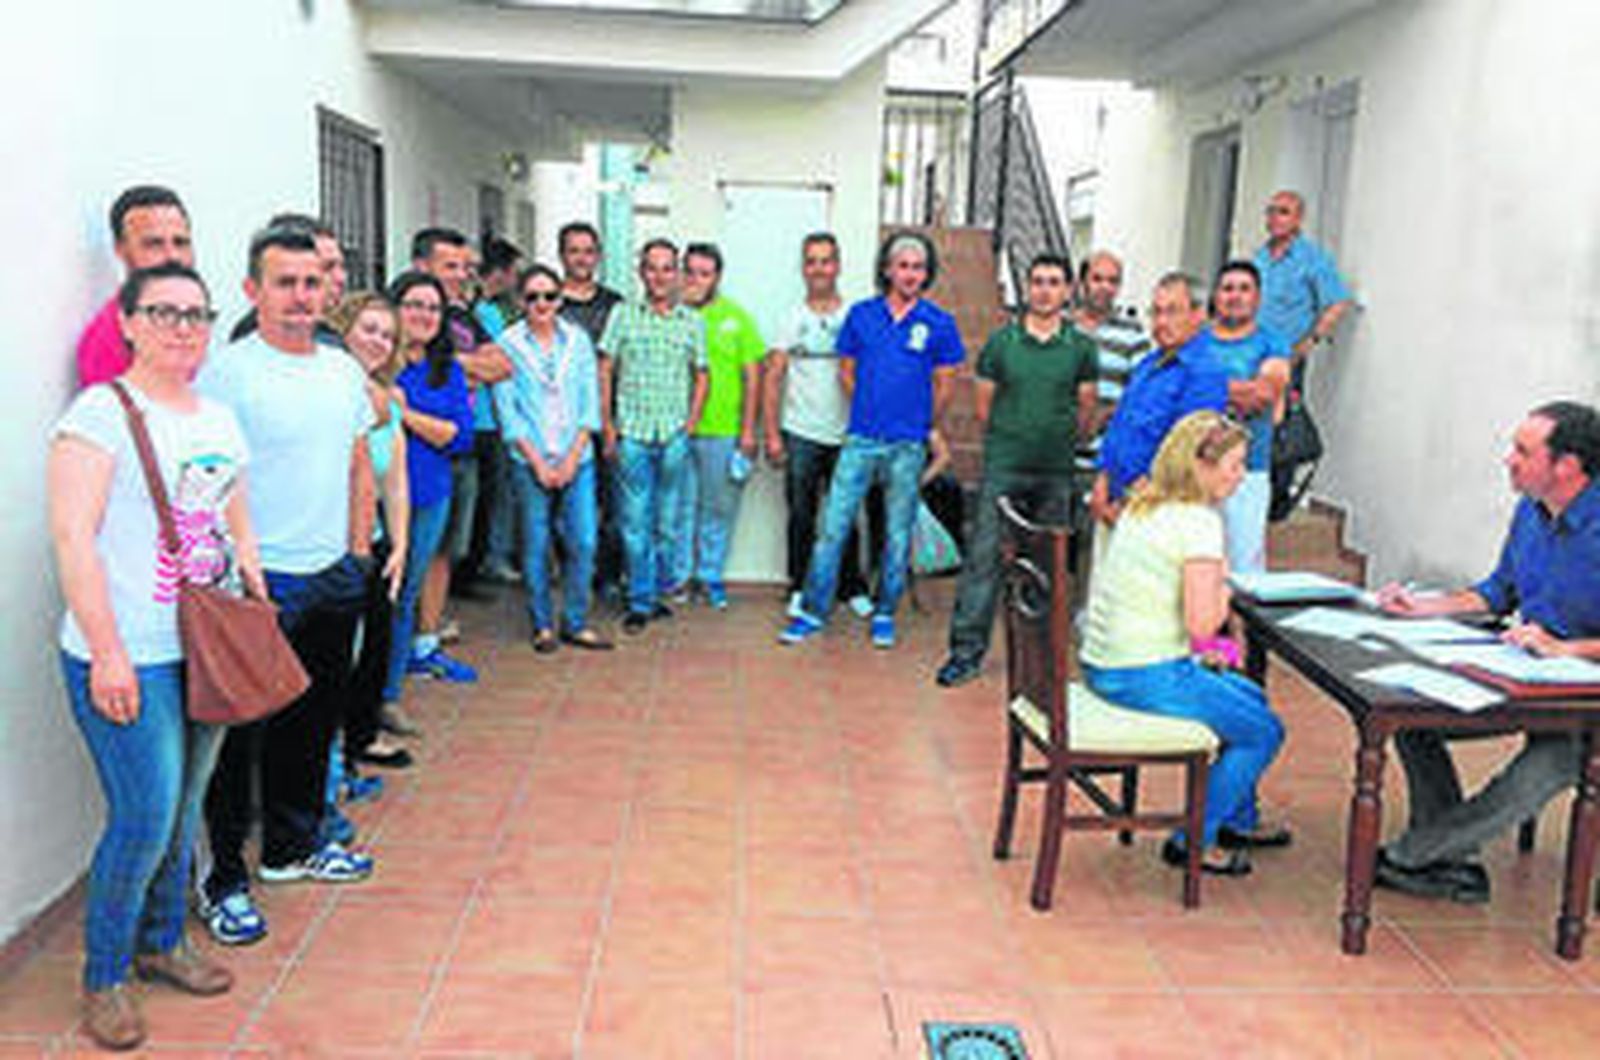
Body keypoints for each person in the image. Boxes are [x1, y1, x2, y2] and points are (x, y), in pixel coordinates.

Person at [50, 263, 253, 1050]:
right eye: (164, 312)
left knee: (183, 808)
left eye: (197, 315)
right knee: (141, 816)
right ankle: (104, 976)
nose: (183, 328)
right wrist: (106, 653)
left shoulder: (218, 418)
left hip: (208, 645)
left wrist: (255, 587)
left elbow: (236, 516)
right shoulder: (99, 414)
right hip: (127, 650)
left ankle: (164, 940)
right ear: (128, 322)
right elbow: (73, 540)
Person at [198, 227, 377, 948]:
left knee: (311, 724)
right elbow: (208, 482)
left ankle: (289, 850)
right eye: (285, 282)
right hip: (259, 585)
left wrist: (358, 557)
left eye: (312, 283)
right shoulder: (228, 374)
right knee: (237, 745)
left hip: (331, 576)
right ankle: (224, 880)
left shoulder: (340, 371)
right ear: (253, 291)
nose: (302, 296)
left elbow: (358, 462)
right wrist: (244, 575)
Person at [1373, 401, 1600, 904]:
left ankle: (1413, 856)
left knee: (1532, 776)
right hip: (1528, 679)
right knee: (1412, 716)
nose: (1508, 460)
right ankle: (1452, 862)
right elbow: (1498, 592)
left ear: (1566, 466)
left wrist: (1565, 648)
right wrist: (1425, 607)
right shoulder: (1531, 512)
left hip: (1587, 701)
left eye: (1523, 451)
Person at [1081, 410, 1289, 875]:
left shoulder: (1143, 502)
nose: (1240, 476)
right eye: (1234, 464)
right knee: (1265, 731)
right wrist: (1228, 587)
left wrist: (1222, 638)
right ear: (1200, 465)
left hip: (1107, 661)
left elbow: (1194, 633)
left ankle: (1238, 816)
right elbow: (1201, 627)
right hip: (1145, 672)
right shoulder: (1197, 522)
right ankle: (1192, 839)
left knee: (1250, 694)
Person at [780, 231, 964, 650]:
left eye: (918, 267)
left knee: (897, 534)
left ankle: (885, 613)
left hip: (907, 446)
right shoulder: (861, 315)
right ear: (887, 269)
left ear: (926, 273)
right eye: (903, 265)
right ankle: (811, 611)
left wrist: (918, 424)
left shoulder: (939, 323)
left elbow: (946, 385)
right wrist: (869, 409)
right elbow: (846, 373)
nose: (910, 274)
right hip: (861, 439)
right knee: (832, 528)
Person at [936, 254, 1098, 687]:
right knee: (984, 561)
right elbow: (985, 408)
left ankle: (1041, 659)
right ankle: (965, 654)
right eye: (1038, 282)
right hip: (1005, 468)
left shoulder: (1081, 347)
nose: (1045, 290)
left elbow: (1086, 409)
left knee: (1049, 567)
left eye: (1054, 282)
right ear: (1027, 289)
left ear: (1067, 291)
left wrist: (1060, 440)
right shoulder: (1001, 344)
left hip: (1055, 473)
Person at [495, 264, 613, 652]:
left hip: (576, 458)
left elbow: (589, 402)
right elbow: (508, 413)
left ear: (561, 300)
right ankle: (542, 623)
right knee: (535, 542)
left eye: (549, 296)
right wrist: (540, 464)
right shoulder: (507, 344)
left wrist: (571, 458)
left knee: (583, 540)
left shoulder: (577, 341)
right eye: (533, 297)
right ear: (521, 302)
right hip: (529, 460)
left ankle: (576, 621)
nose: (541, 304)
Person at [598, 238, 710, 634]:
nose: (660, 276)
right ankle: (640, 602)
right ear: (641, 272)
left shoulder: (692, 322)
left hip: (675, 436)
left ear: (677, 273)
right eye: (652, 267)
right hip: (633, 436)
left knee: (666, 526)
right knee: (633, 523)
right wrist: (608, 425)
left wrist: (691, 423)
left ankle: (653, 590)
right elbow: (606, 369)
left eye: (667, 268)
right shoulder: (622, 315)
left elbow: (702, 374)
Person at [761, 232, 873, 618]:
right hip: (801, 432)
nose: (819, 268)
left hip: (848, 434)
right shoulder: (791, 318)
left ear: (837, 266)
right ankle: (800, 586)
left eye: (826, 260)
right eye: (812, 261)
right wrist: (772, 433)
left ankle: (851, 587)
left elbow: (872, 373)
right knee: (801, 515)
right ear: (803, 268)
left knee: (846, 516)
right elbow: (773, 376)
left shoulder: (856, 317)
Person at [412, 228, 512, 632]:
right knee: (415, 545)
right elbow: (412, 365)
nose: (460, 275)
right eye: (449, 266)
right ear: (422, 266)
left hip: (461, 443)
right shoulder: (408, 312)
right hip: (420, 447)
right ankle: (409, 632)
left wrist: (452, 364)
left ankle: (427, 634)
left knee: (445, 548)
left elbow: (502, 366)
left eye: (464, 267)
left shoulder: (463, 315)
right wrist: (466, 366)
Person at [329, 293, 413, 771]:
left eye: (387, 334)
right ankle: (331, 756)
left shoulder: (389, 401)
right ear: (343, 330)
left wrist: (399, 543)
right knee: (338, 652)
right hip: (329, 546)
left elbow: (395, 480)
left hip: (374, 540)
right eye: (369, 330)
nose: (378, 341)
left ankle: (360, 738)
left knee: (374, 644)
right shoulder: (326, 393)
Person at [385, 271, 476, 696]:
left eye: (434, 308)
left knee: (407, 590)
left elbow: (460, 436)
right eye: (414, 305)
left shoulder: (446, 369)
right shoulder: (377, 363)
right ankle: (378, 681)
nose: (425, 315)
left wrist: (404, 415)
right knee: (380, 594)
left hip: (429, 493)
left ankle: (391, 686)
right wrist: (432, 426)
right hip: (377, 498)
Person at [1089, 273, 1229, 534]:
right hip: (1115, 502)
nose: (1161, 322)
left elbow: (1186, 451)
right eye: (1156, 312)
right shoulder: (1148, 363)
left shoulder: (1204, 372)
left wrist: (1133, 500)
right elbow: (1120, 422)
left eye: (1173, 312)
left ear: (1198, 315)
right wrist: (1102, 479)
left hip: (1156, 511)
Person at [678, 242, 765, 608]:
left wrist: (748, 431)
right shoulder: (671, 315)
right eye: (691, 271)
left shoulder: (737, 319)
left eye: (705, 273)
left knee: (717, 508)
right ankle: (678, 579)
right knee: (680, 508)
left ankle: (709, 576)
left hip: (724, 431)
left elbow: (754, 377)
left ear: (716, 278)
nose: (696, 280)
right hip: (676, 430)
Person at [557, 222, 627, 604]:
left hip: (608, 422)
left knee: (614, 507)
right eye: (574, 250)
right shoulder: (549, 302)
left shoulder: (615, 303)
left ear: (598, 256)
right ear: (562, 256)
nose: (582, 258)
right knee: (562, 513)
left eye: (588, 251)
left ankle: (608, 577)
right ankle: (572, 576)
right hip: (560, 426)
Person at [1208, 260, 1290, 573]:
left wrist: (1205, 387)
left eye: (1244, 289)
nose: (1235, 296)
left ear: (1258, 297)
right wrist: (1239, 388)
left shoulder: (1272, 342)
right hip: (1196, 469)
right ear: (1216, 296)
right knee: (1198, 563)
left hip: (1249, 471)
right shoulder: (1196, 341)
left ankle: (1242, 624)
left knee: (1244, 568)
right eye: (1228, 288)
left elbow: (1264, 394)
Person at [76, 186, 195, 388]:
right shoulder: (105, 344)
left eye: (180, 242)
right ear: (120, 250)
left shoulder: (193, 318)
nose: (172, 256)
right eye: (154, 244)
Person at [468, 235, 525, 586]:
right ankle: (491, 559)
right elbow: (506, 360)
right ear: (501, 273)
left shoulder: (487, 310)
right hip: (486, 419)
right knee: (493, 495)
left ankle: (487, 558)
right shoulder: (485, 312)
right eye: (514, 273)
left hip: (488, 415)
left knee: (490, 494)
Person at [1252, 190, 1352, 385]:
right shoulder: (1260, 257)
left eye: (1283, 212)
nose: (1274, 218)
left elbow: (1338, 302)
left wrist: (1310, 342)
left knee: (1281, 412)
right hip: (1252, 351)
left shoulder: (1313, 258)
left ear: (1298, 219)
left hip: (1286, 356)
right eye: (1270, 212)